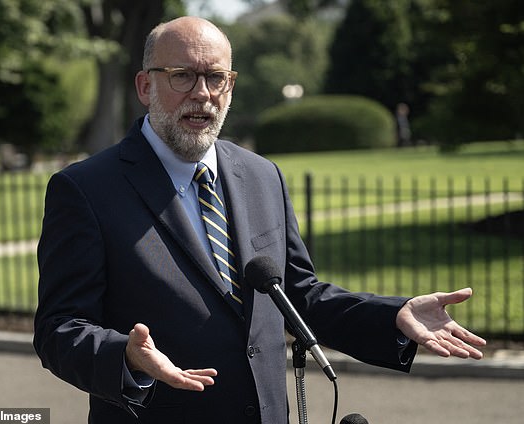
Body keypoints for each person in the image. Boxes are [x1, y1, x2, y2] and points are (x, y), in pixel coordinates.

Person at [34, 16, 486, 424]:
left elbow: (297, 296)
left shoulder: (261, 175)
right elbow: (59, 329)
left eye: (216, 78)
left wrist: (393, 316)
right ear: (145, 86)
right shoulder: (86, 189)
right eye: (182, 76)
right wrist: (125, 358)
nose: (202, 94)